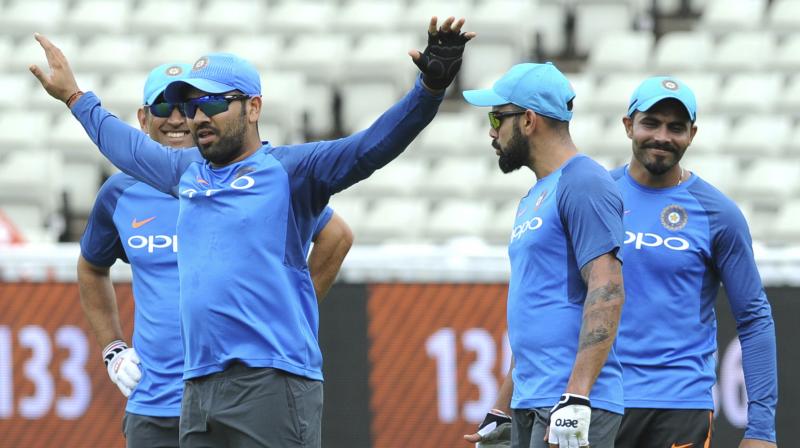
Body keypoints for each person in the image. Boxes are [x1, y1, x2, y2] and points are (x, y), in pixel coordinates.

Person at [31, 16, 475, 447]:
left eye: (213, 103)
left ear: (254, 107)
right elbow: (123, 144)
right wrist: (74, 96)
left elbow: (373, 145)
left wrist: (430, 89)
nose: (196, 117)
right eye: (190, 106)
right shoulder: (185, 171)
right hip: (198, 388)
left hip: (271, 382)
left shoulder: (292, 172)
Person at [77, 63, 353, 447]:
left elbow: (336, 236)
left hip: (238, 393)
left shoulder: (243, 178)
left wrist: (285, 311)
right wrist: (113, 349)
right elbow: (91, 267)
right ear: (142, 119)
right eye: (162, 108)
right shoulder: (120, 194)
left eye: (187, 107)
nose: (177, 119)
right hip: (154, 403)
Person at [462, 63, 626, 448]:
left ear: (529, 120)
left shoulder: (582, 181)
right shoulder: (536, 194)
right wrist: (503, 407)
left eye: (497, 117)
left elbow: (607, 288)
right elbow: (536, 317)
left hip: (567, 404)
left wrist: (577, 396)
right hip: (533, 401)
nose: (491, 130)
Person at [610, 76, 778, 448]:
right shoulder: (597, 198)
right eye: (651, 123)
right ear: (628, 126)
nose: (663, 136)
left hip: (679, 406)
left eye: (676, 127)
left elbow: (754, 318)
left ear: (693, 134)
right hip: (602, 400)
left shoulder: (718, 213)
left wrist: (761, 430)